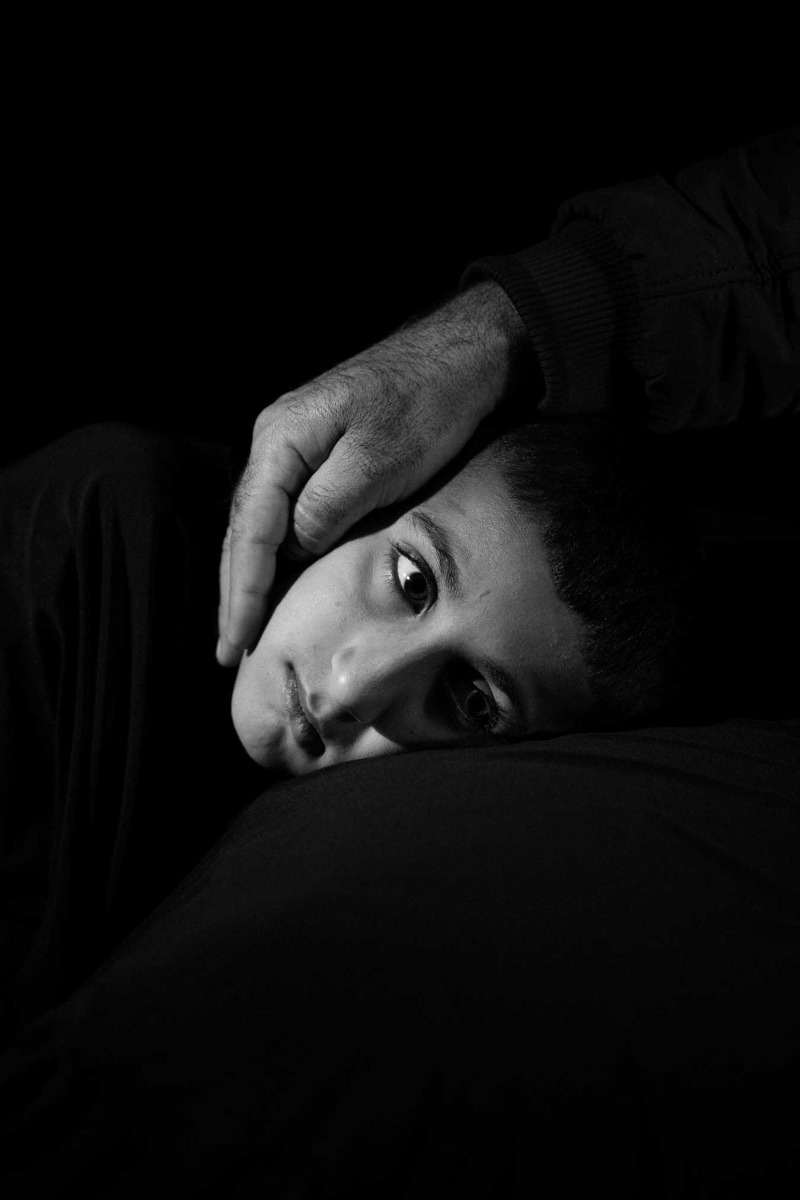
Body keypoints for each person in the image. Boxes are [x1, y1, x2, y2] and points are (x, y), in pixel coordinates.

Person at [0, 128, 797, 1198]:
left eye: (466, 697)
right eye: (411, 581)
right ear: (379, 495)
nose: (346, 695)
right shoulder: (97, 537)